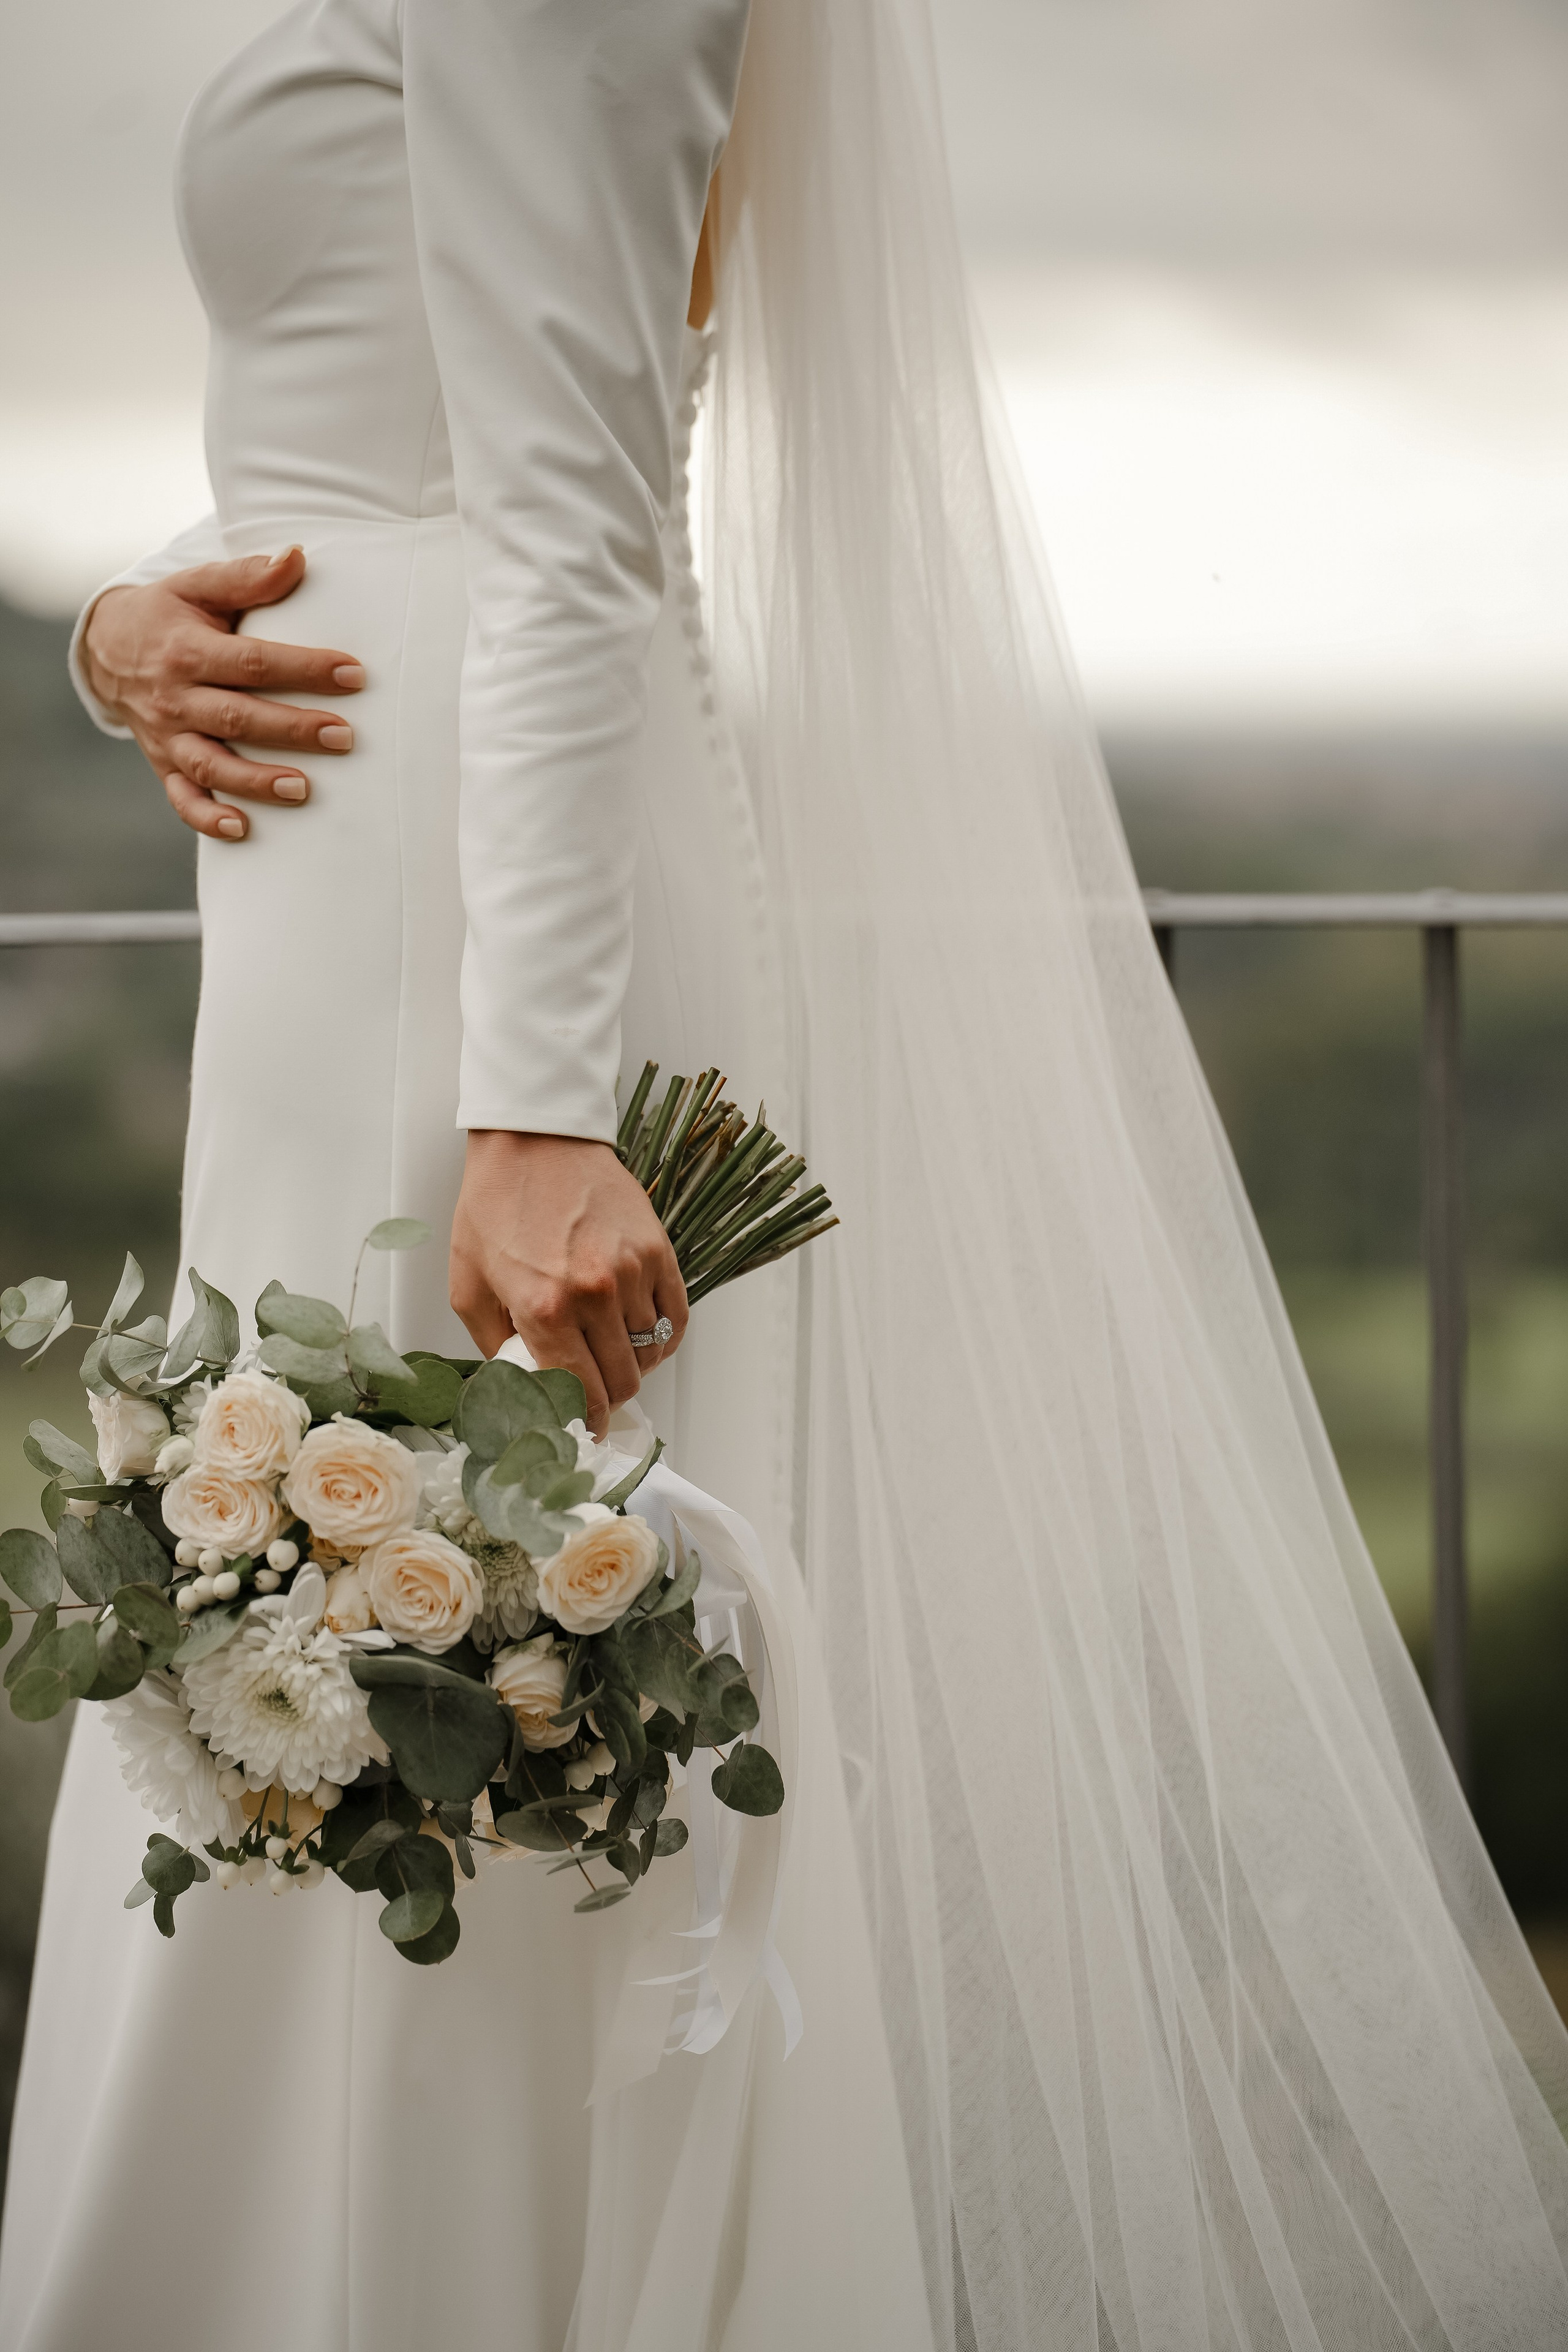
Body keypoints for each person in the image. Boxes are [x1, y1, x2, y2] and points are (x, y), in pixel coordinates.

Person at [6, 0, 1568, 2344]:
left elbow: (567, 507)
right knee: (316, 1643)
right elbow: (378, 393)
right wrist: (132, 625)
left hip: (469, 934)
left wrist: (537, 1110)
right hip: (353, 893)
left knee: (447, 1670)